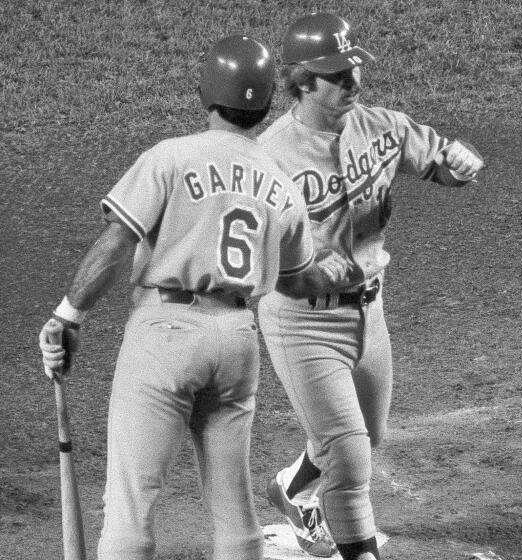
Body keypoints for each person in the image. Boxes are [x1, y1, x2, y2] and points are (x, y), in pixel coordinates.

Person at [37, 35, 349, 560]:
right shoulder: (281, 180)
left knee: (132, 503)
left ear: (204, 91)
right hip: (237, 342)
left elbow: (117, 243)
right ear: (270, 100)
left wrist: (68, 316)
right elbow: (299, 280)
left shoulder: (170, 157)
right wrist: (332, 273)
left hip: (166, 335)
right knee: (234, 507)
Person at [256, 12, 485, 560]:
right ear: (303, 80)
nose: (353, 82)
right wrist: (296, 272)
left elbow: (441, 165)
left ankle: (289, 489)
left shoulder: (381, 126)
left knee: (366, 435)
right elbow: (253, 258)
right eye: (338, 75)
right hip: (302, 320)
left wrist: (460, 163)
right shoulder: (269, 156)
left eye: (354, 68)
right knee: (352, 459)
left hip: (369, 312)